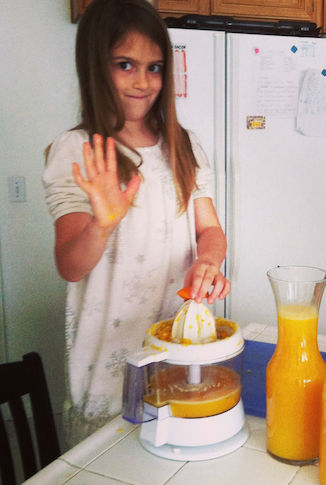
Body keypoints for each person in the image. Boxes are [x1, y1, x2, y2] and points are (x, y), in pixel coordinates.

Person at [42, 0, 230, 448]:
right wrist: (102, 225)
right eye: (125, 65)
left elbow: (211, 230)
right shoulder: (77, 151)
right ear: (95, 66)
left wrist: (208, 261)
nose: (143, 82)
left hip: (181, 357)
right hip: (106, 371)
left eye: (155, 67)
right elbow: (70, 264)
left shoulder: (184, 145)